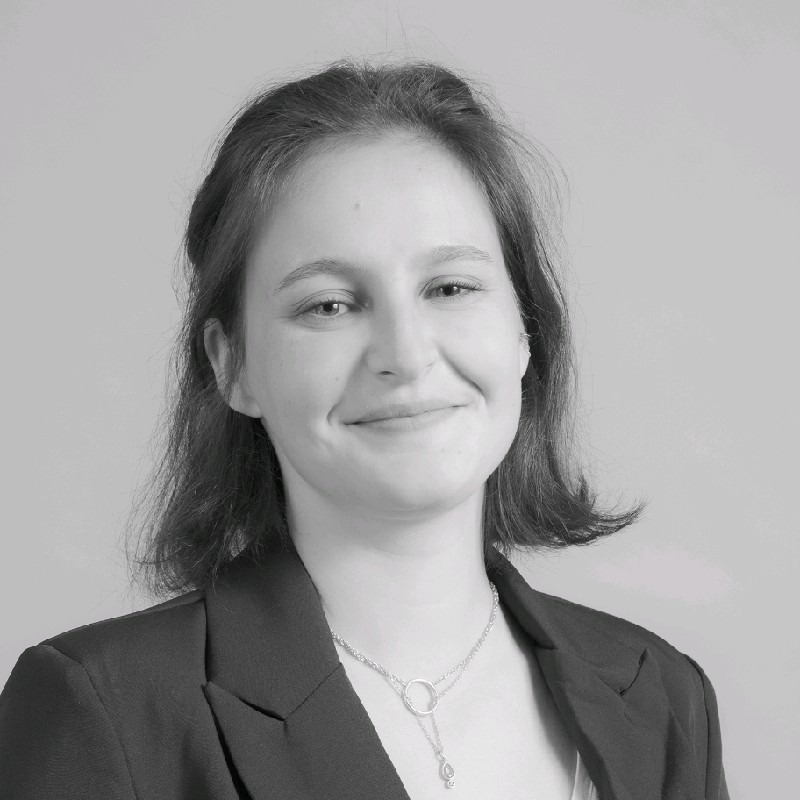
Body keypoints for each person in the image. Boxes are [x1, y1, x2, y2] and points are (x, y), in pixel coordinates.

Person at [0, 60, 728, 800]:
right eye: (329, 305)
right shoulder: (105, 711)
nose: (405, 356)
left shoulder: (663, 698)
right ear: (233, 365)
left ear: (524, 331)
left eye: (451, 287)